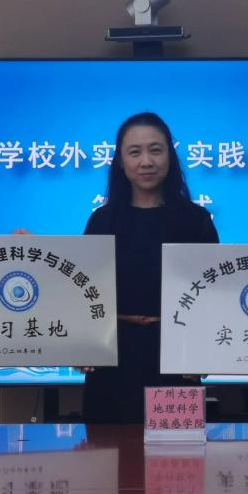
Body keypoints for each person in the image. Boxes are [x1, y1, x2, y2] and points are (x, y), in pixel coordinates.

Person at [82, 112, 219, 423]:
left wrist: (204, 353)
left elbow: (212, 297)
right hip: (111, 362)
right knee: (109, 450)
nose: (146, 161)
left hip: (177, 361)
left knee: (176, 452)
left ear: (170, 156)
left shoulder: (195, 220)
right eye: (135, 152)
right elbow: (83, 291)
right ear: (120, 161)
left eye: (156, 150)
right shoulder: (102, 221)